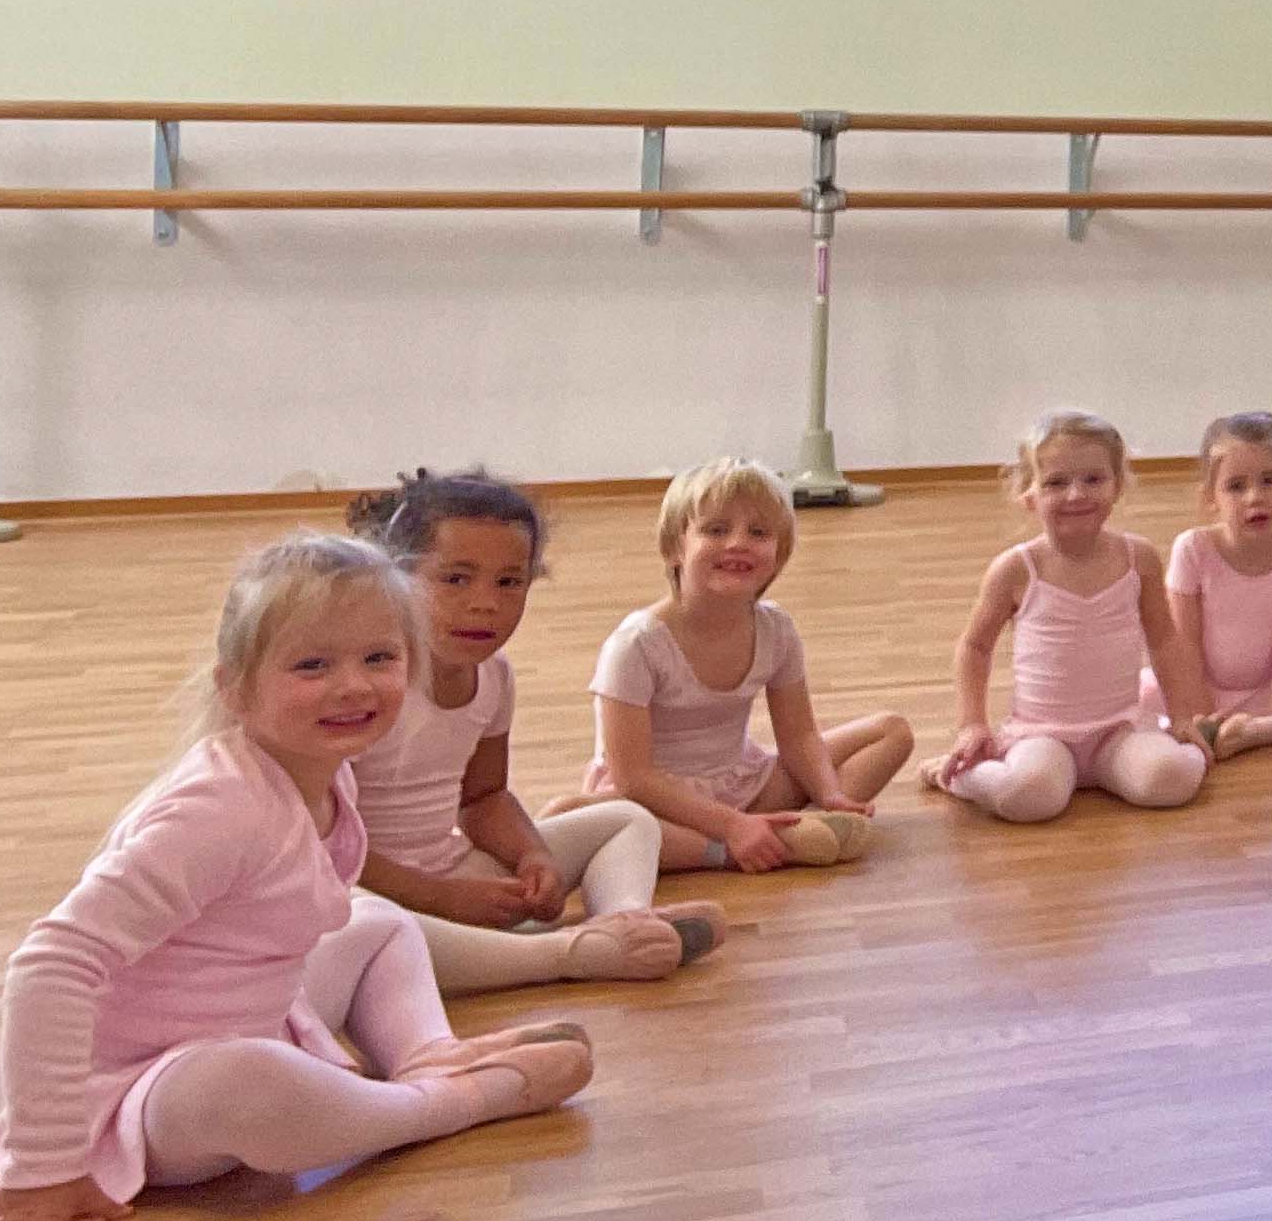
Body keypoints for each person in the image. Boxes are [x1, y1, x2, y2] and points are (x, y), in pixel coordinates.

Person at [0, 535, 592, 1221]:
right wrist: (43, 1168)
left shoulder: (321, 771)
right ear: (234, 687)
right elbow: (50, 963)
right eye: (312, 665)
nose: (353, 686)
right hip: (150, 1092)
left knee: (378, 921)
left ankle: (430, 1055)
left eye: (378, 658)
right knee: (245, 1084)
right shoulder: (217, 808)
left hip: (258, 1018)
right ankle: (453, 1103)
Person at [346, 468, 723, 989]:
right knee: (360, 926)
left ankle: (624, 921)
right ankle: (562, 954)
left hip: (453, 872)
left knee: (627, 820)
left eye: (509, 582)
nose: (486, 602)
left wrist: (532, 856)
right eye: (456, 578)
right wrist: (440, 898)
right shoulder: (362, 685)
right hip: (368, 889)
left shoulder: (494, 676)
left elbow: (483, 798)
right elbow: (322, 845)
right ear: (394, 577)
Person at [565, 457, 911, 870]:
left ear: (779, 554)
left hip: (742, 784)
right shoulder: (636, 645)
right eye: (716, 530)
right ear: (674, 548)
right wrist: (729, 825)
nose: (738, 543)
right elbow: (633, 778)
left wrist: (830, 792)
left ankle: (795, 828)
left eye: (758, 532)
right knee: (571, 815)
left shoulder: (776, 628)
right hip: (655, 800)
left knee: (892, 732)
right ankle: (745, 846)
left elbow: (800, 736)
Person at [924, 412, 1211, 822]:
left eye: (1093, 479)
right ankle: (960, 776)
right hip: (1043, 735)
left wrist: (1182, 716)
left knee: (1171, 779)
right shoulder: (1016, 569)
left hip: (1119, 731)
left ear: (1117, 486)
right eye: (1056, 483)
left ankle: (1151, 752)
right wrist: (972, 725)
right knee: (1031, 795)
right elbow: (974, 646)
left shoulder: (1139, 558)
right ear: (1028, 495)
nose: (1076, 494)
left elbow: (1164, 639)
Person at [1155, 411, 1272, 760]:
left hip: (1269, 693)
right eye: (1236, 486)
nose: (1254, 497)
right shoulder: (1193, 549)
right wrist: (1205, 718)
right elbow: (1184, 646)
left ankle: (1256, 730)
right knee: (1141, 712)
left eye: (1269, 481)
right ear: (1210, 496)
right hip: (1199, 688)